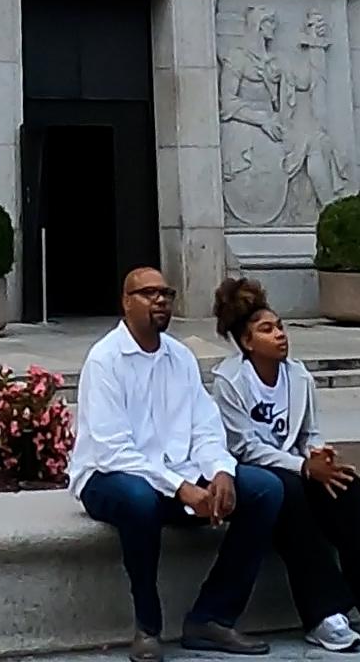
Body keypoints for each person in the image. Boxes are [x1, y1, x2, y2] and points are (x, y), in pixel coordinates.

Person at [72, 264, 288, 657]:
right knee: (139, 499)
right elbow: (113, 450)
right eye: (148, 293)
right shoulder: (105, 360)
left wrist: (221, 471)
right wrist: (182, 488)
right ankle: (148, 627)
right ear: (126, 302)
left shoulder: (181, 357)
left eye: (166, 294)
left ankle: (212, 618)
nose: (160, 300)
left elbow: (205, 426)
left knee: (264, 489)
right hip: (108, 478)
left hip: (177, 477)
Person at [212, 277, 360, 650]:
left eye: (280, 327)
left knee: (351, 490)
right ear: (247, 342)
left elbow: (310, 432)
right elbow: (243, 447)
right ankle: (323, 613)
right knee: (291, 496)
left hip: (297, 467)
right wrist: (303, 468)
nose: (279, 335)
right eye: (266, 330)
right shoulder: (229, 382)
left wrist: (319, 455)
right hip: (255, 475)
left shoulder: (298, 375)